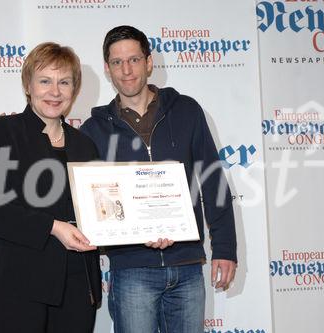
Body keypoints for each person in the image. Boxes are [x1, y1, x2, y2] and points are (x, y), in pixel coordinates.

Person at [80, 25, 237, 333]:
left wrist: (226, 249)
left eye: (134, 60)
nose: (126, 70)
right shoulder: (93, 130)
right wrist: (136, 233)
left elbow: (213, 180)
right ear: (107, 69)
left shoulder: (187, 111)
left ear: (149, 62)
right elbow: (95, 207)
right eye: (117, 62)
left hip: (187, 267)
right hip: (132, 270)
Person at [0, 42, 102, 333]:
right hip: (11, 289)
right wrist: (52, 227)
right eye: (45, 81)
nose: (55, 91)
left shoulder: (85, 145)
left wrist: (147, 233)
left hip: (75, 288)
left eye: (64, 82)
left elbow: (99, 212)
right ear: (28, 85)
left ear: (74, 89)